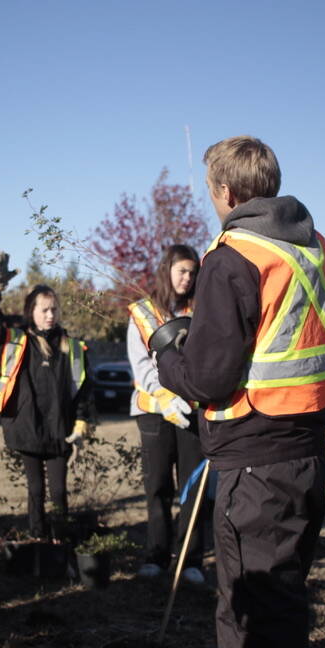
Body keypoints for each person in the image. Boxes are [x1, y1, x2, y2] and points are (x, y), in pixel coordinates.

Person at [155, 136, 325, 648]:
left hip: (254, 467)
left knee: (249, 615)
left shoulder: (233, 256)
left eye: (210, 189)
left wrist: (168, 352)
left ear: (227, 192)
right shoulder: (322, 253)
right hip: (308, 455)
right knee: (283, 607)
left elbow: (208, 379)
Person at [0, 255, 92, 538]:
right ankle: (38, 538)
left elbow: (84, 389)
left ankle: (62, 540)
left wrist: (82, 422)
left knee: (59, 492)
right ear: (31, 311)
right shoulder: (16, 340)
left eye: (54, 310)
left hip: (59, 430)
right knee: (35, 490)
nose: (50, 315)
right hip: (27, 429)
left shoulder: (70, 347)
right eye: (44, 310)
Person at [128, 244, 208, 586]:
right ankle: (156, 556)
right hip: (155, 414)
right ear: (168, 271)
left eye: (192, 273)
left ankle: (191, 559)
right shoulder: (145, 312)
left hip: (191, 413)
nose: (187, 279)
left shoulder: (203, 311)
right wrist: (164, 399)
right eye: (181, 271)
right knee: (157, 486)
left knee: (192, 488)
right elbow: (141, 364)